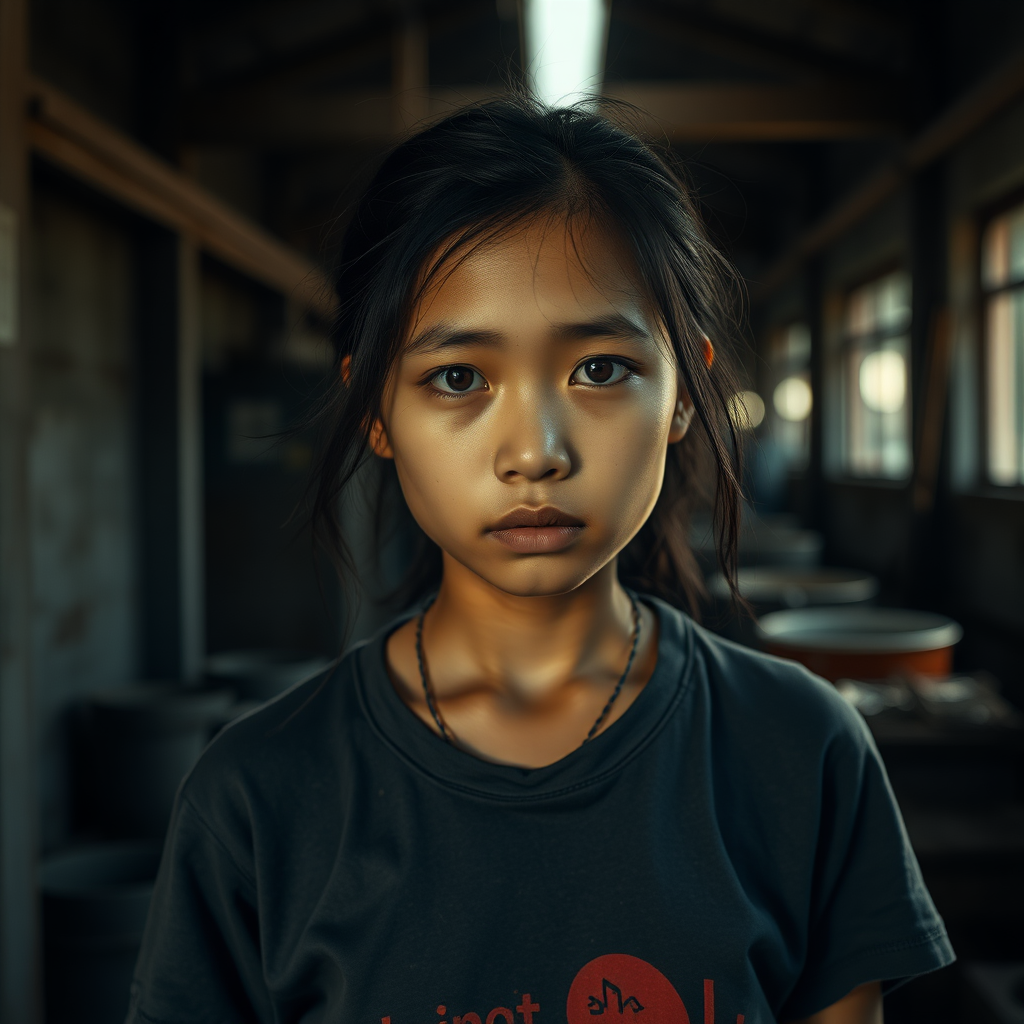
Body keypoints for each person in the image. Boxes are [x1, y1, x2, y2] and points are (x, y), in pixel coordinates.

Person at [126, 99, 953, 1024]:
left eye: (600, 369)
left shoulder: (801, 752)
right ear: (373, 410)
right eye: (458, 378)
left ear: (685, 390)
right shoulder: (257, 797)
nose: (535, 451)